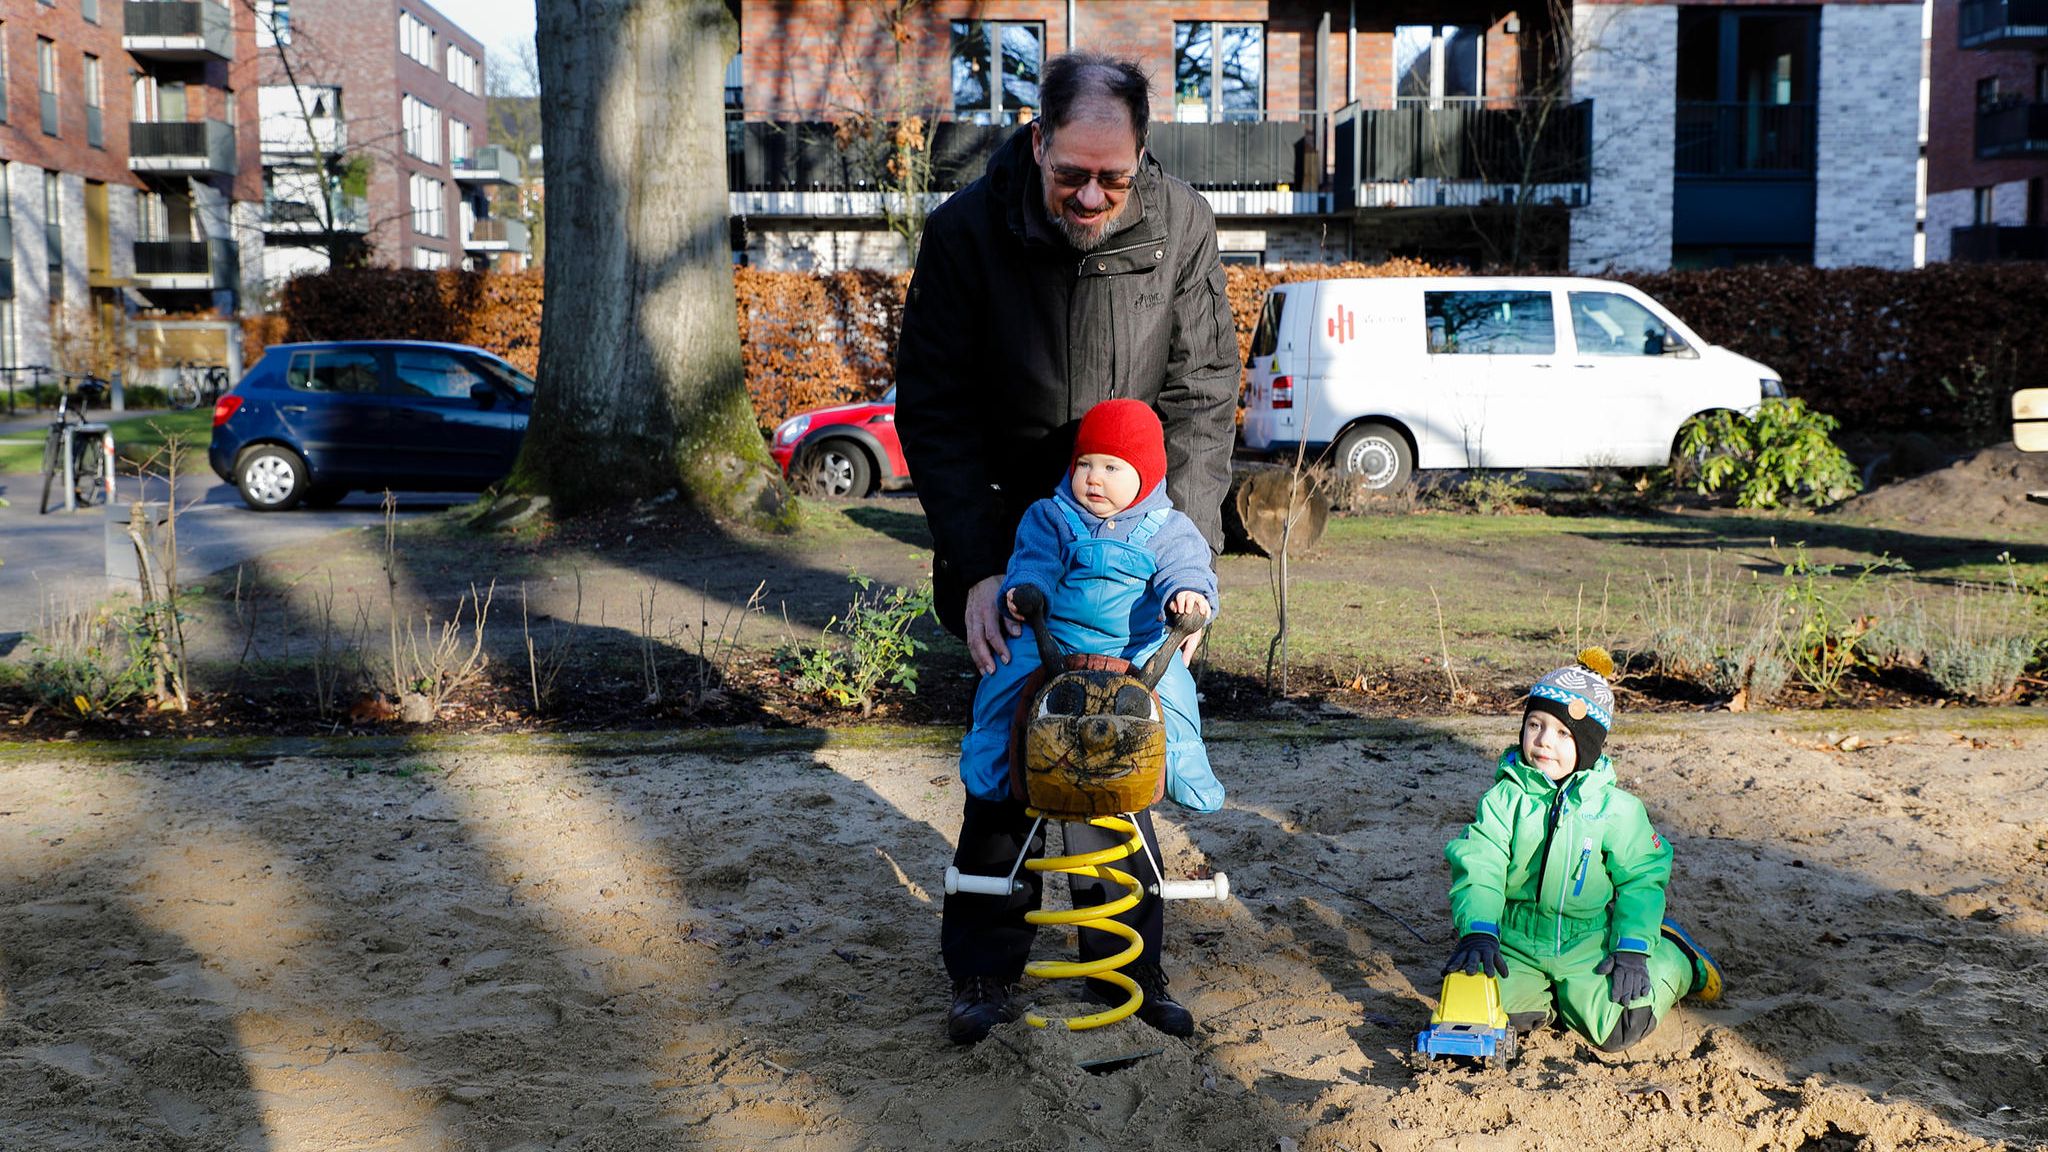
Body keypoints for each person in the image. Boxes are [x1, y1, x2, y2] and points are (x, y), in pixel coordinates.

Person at [894, 50, 1241, 1045]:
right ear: (1036, 139)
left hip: (1133, 539)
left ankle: (1123, 968)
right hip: (1015, 537)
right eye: (1069, 173)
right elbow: (936, 408)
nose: (1089, 194)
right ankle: (981, 973)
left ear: (1142, 158)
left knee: (1119, 760)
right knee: (1004, 761)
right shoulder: (964, 234)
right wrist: (973, 565)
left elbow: (1202, 398)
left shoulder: (1180, 227)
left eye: (1113, 176)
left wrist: (1184, 557)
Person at [1441, 650, 1724, 1055]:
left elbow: (1643, 877)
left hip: (1588, 941)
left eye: (1562, 733)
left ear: (1588, 745)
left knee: (1620, 1027)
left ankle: (1676, 956)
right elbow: (1479, 864)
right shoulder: (1503, 799)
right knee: (1490, 1012)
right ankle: (1554, 998)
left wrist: (1631, 946)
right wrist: (1479, 929)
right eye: (1535, 725)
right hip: (1517, 939)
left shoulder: (1617, 810)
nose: (1542, 741)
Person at [958, 398, 1222, 811]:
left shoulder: (1169, 528)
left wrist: (1188, 592)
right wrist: (1027, 587)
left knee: (1175, 687)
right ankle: (991, 750)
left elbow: (1189, 567)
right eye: (1085, 464)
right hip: (1056, 634)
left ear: (1146, 476)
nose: (1094, 479)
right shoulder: (1053, 516)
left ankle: (1182, 758)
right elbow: (1034, 559)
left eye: (1111, 468)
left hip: (1135, 644)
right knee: (1004, 671)